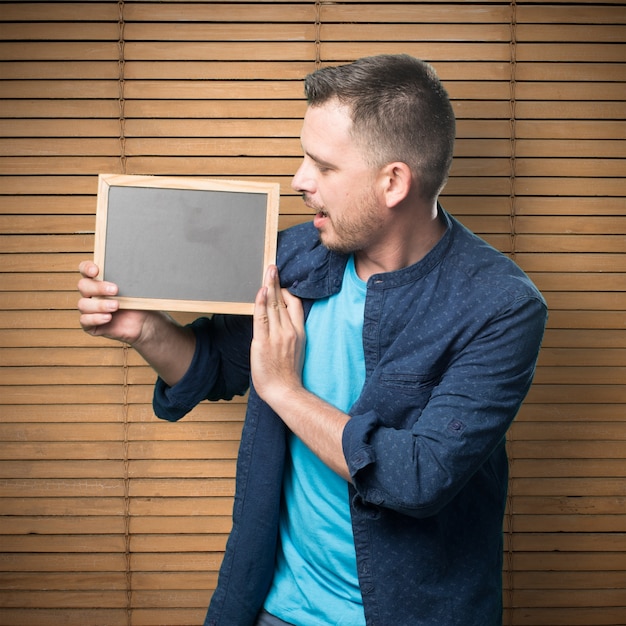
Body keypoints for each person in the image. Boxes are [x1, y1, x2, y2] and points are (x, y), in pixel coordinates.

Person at [78, 54, 547, 626]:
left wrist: (283, 389)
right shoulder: (297, 256)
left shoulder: (501, 305)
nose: (299, 181)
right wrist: (146, 331)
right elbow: (212, 367)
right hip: (275, 608)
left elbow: (420, 477)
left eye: (322, 167)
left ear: (393, 181)